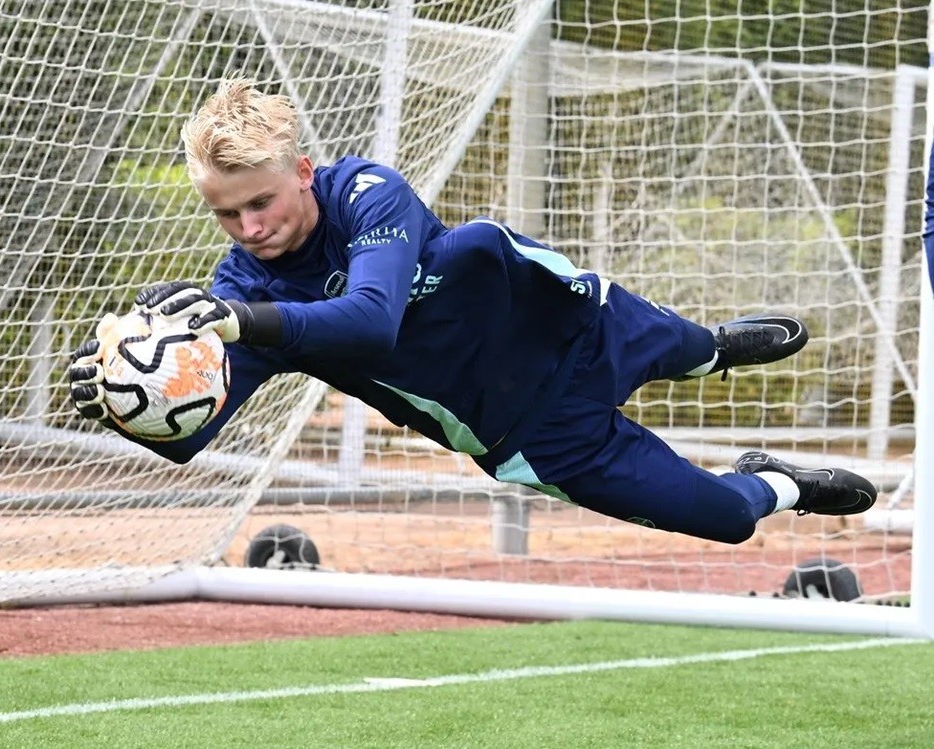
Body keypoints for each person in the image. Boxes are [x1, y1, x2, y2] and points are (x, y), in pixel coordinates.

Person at [68, 78, 877, 545]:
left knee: (479, 251)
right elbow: (193, 434)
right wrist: (123, 399)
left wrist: (243, 322)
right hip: (531, 434)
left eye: (262, 202)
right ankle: (774, 480)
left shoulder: (365, 192)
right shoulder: (239, 291)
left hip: (570, 325)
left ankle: (711, 349)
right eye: (228, 215)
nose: (251, 228)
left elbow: (373, 317)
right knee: (728, 521)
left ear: (305, 172)